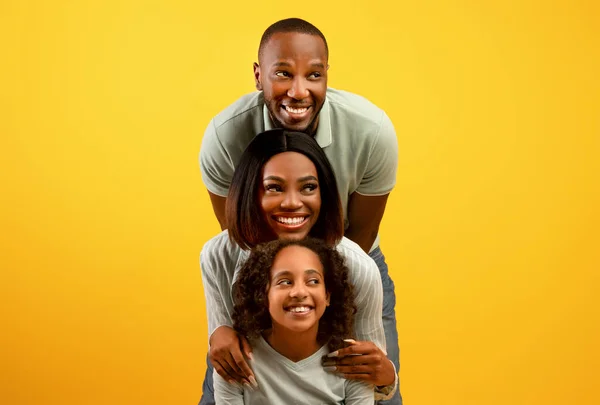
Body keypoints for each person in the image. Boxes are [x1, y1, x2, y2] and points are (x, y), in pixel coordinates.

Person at [199, 17, 401, 404]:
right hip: (258, 259)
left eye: (313, 75)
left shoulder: (371, 130)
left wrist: (318, 288)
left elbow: (359, 234)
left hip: (343, 255)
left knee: (372, 377)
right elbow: (239, 233)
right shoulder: (224, 136)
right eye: (282, 74)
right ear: (258, 76)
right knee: (229, 368)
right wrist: (221, 330)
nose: (298, 91)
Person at [200, 130, 397, 404]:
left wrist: (387, 377)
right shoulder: (218, 255)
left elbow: (366, 370)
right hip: (252, 370)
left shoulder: (355, 266)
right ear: (249, 192)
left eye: (308, 187)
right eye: (274, 187)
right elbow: (224, 337)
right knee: (227, 367)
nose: (293, 203)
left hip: (333, 374)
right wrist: (218, 332)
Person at [214, 238, 374, 404]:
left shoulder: (353, 364)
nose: (299, 292)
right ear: (263, 295)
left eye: (313, 281)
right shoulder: (236, 362)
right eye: (285, 282)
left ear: (327, 295)